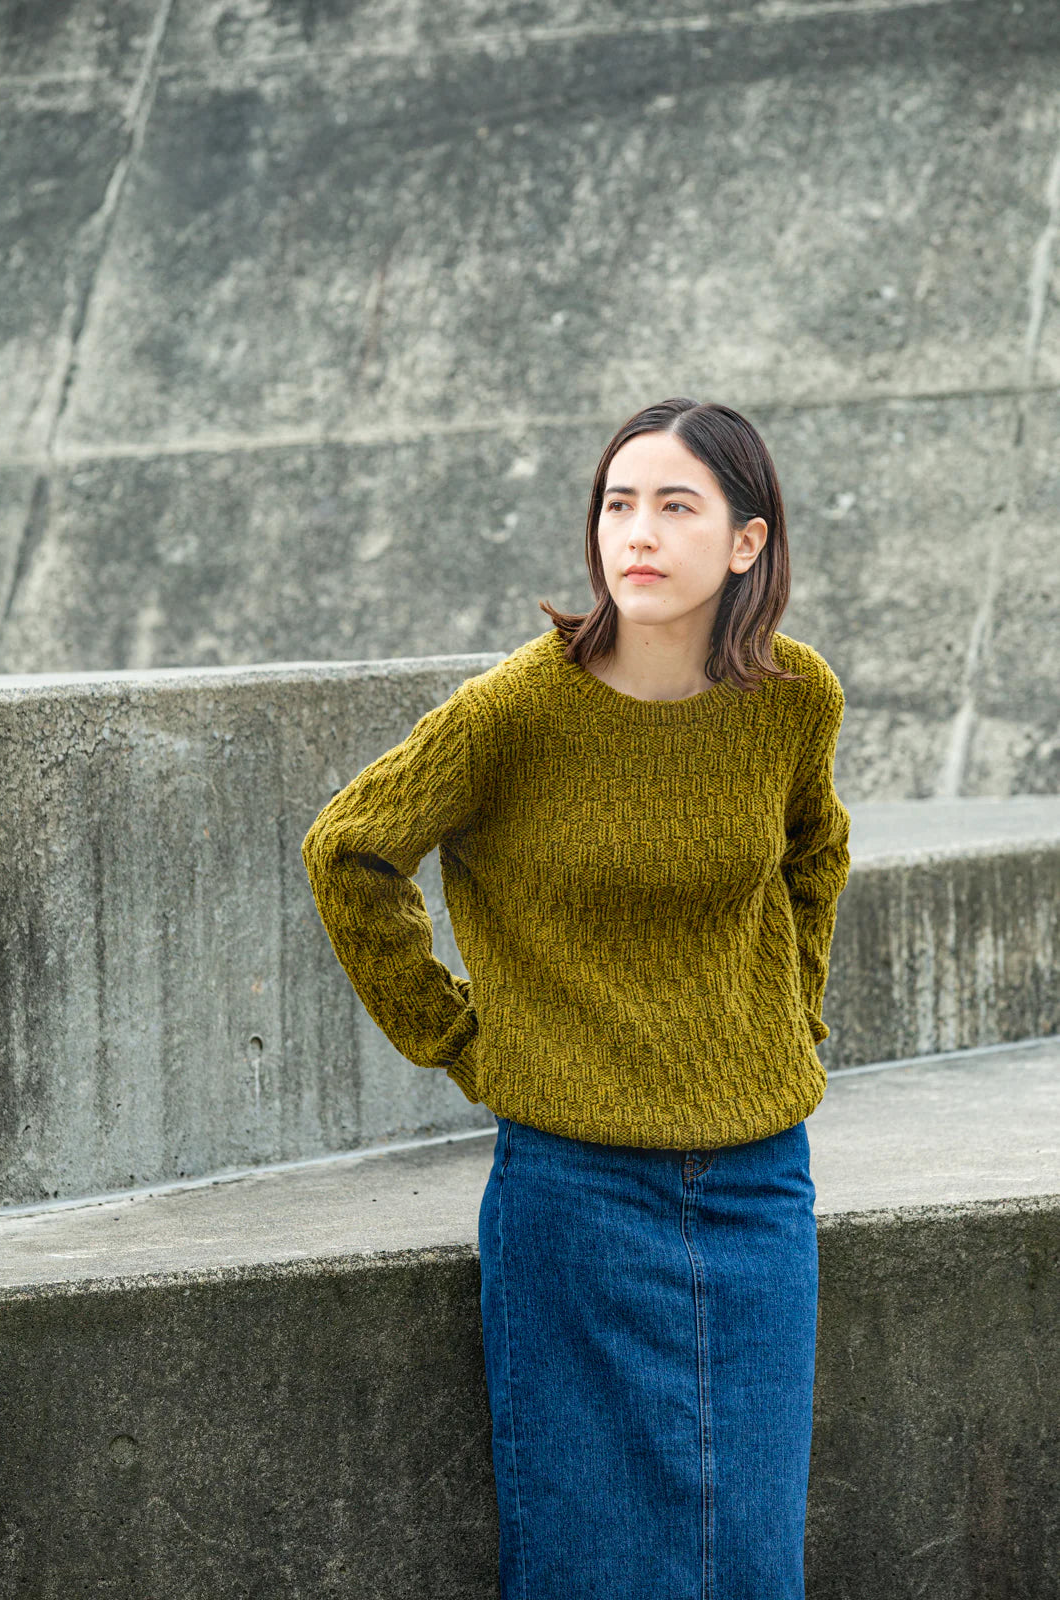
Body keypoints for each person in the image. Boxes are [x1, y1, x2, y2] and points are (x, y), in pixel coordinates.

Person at [300, 396, 852, 1600]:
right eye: (616, 504)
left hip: (761, 1180)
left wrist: (787, 1010)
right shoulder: (518, 709)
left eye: (673, 505)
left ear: (745, 543)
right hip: (574, 1190)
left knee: (753, 1556)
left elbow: (813, 851)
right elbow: (349, 849)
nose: (635, 533)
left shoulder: (793, 698)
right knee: (589, 1556)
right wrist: (457, 1039)